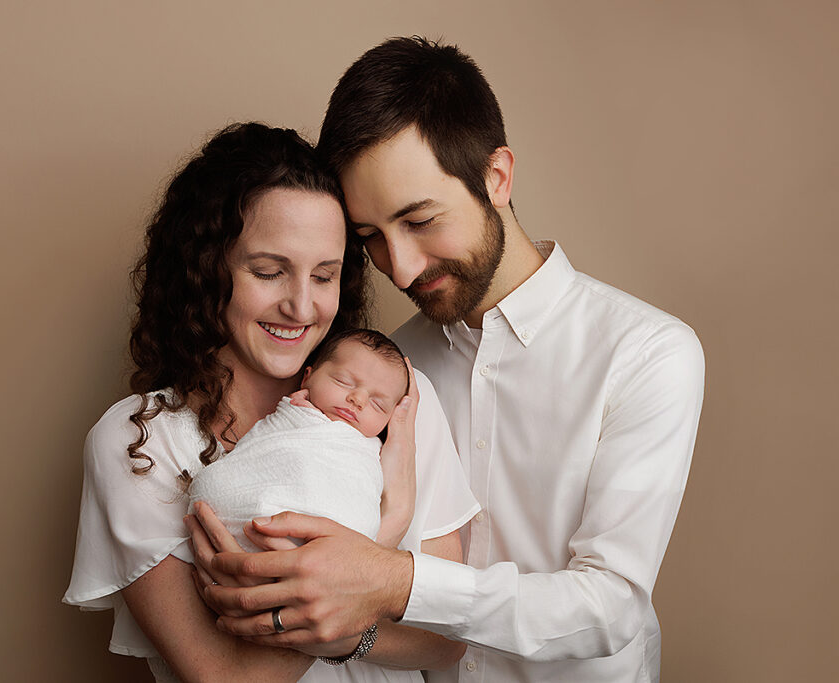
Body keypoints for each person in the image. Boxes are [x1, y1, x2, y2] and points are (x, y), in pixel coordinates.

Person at [195, 38, 705, 683]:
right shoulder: (383, 374)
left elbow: (611, 608)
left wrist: (396, 582)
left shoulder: (647, 353)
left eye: (420, 220)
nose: (399, 268)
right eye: (371, 238)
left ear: (496, 177)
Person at [62, 122, 479, 682]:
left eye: (325, 275)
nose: (302, 306)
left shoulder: (390, 399)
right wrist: (377, 551)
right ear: (207, 271)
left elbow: (447, 638)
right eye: (268, 271)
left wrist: (354, 580)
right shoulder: (139, 440)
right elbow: (227, 677)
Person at [189, 328, 413, 554]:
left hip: (331, 545)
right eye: (343, 381)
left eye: (378, 404)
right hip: (252, 514)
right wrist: (298, 409)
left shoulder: (371, 450)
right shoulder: (295, 412)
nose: (358, 400)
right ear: (308, 377)